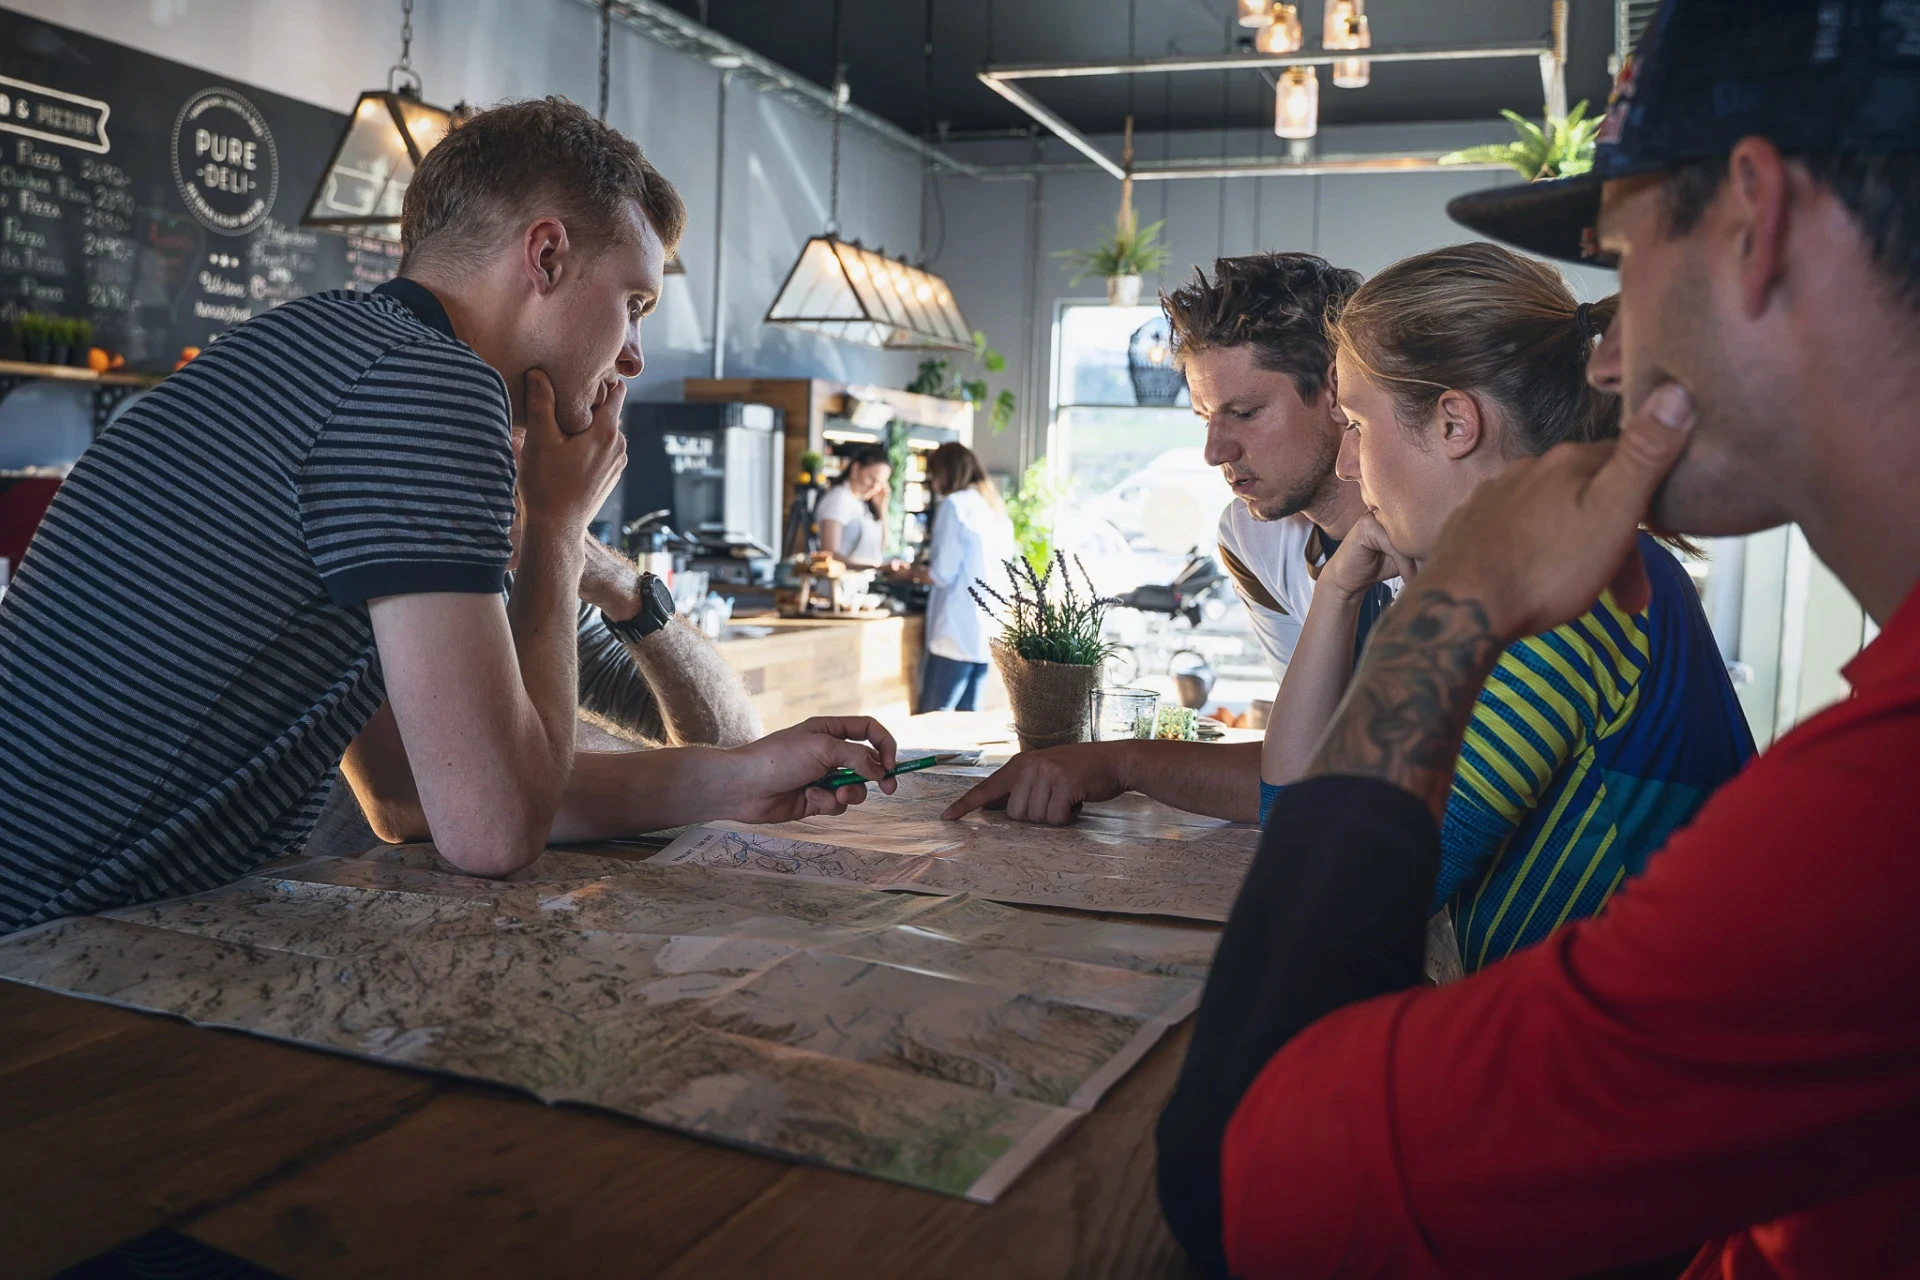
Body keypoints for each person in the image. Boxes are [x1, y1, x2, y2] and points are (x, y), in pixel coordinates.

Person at [1156, 0, 1920, 1275]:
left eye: (1625, 267)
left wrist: (1455, 603)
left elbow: (1240, 1179)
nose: (1606, 358)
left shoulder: (1880, 811)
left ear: (1752, 221)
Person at [0, 97, 897, 934]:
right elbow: (493, 830)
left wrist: (737, 780)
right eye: (633, 304)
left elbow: (412, 796)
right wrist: (553, 526)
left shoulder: (316, 352)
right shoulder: (426, 387)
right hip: (43, 942)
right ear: (545, 257)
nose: (632, 357)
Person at [1260, 242, 1752, 970]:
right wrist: (1337, 591)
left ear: (1456, 423)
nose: (1345, 463)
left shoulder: (1571, 587)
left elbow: (1332, 898)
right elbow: (1295, 825)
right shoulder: (1550, 561)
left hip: (1640, 1070)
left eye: (1358, 425)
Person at [944, 254, 1382, 825]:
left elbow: (1343, 781)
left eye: (1245, 412)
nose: (1214, 451)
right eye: (1205, 417)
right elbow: (1302, 759)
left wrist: (1124, 762)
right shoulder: (1251, 536)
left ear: (1337, 391)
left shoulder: (1433, 541)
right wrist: (1109, 761)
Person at [915, 442, 1014, 712]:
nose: (934, 484)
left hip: (954, 633)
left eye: (935, 476)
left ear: (949, 472)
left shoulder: (954, 506)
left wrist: (911, 573)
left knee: (933, 722)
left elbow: (942, 573)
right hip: (986, 632)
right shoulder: (994, 509)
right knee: (966, 727)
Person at [813, 444, 903, 572]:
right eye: (872, 479)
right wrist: (876, 566)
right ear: (855, 469)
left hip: (858, 584)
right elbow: (829, 554)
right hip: (836, 586)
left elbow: (879, 548)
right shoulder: (839, 498)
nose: (875, 487)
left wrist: (882, 508)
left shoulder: (862, 503)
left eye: (881, 483)